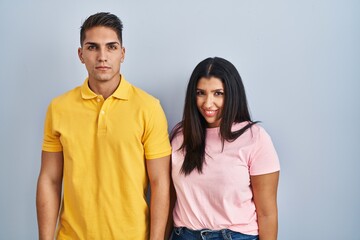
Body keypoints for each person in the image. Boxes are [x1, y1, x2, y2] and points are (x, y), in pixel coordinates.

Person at [36, 12, 171, 240]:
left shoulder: (148, 108)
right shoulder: (58, 108)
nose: (102, 56)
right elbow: (49, 179)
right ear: (80, 54)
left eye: (111, 47)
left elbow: (160, 183)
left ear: (122, 53)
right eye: (92, 47)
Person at [169, 57, 280, 240]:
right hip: (184, 235)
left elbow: (267, 214)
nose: (208, 103)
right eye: (201, 93)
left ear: (232, 94)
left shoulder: (255, 138)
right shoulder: (181, 136)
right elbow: (171, 198)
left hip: (235, 236)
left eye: (218, 93)